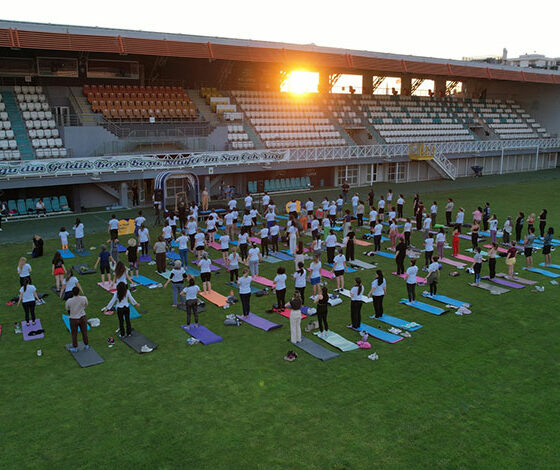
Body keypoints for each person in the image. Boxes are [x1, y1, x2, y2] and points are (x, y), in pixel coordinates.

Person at [65, 286, 89, 352]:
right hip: (82, 317)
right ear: (79, 292)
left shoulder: (69, 301)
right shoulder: (84, 298)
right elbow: (86, 304)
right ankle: (86, 345)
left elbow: (67, 308)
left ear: (72, 293)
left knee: (74, 334)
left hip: (73, 319)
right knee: (84, 332)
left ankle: (75, 347)